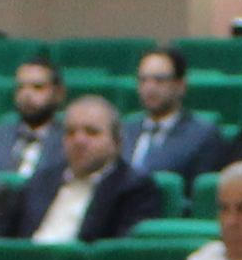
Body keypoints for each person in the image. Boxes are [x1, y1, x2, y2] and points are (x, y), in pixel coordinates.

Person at [14, 97, 161, 244]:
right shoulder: (40, 181)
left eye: (92, 132)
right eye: (70, 132)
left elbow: (116, 253)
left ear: (116, 142)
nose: (79, 141)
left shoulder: (133, 187)